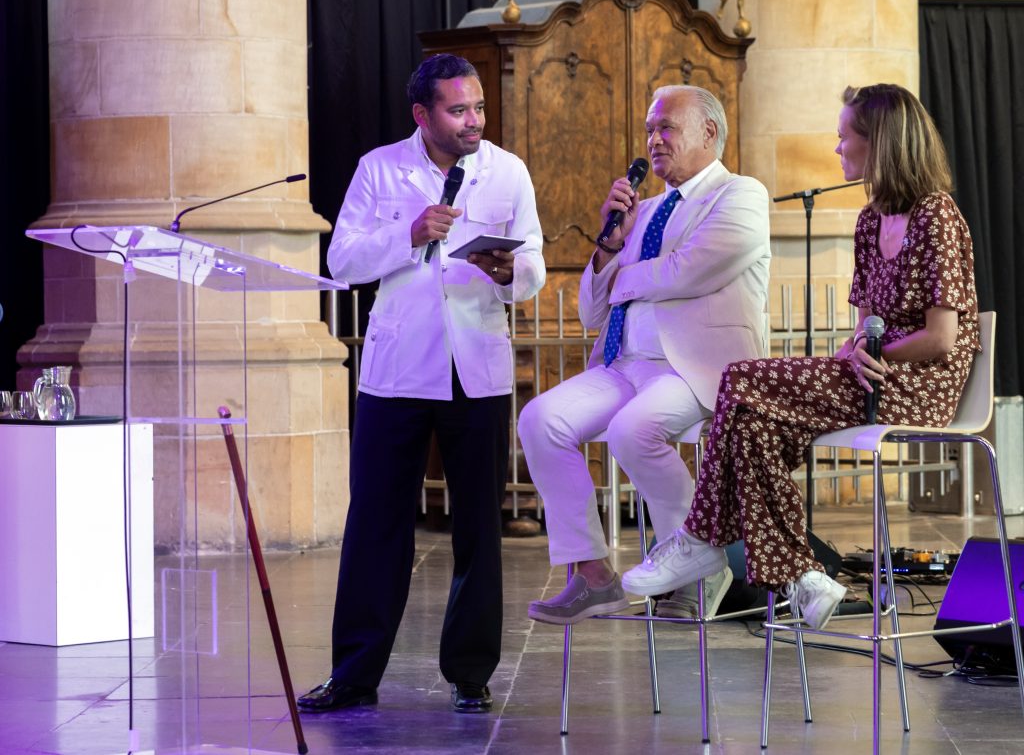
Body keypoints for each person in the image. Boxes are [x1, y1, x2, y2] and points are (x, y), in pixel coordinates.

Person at [621, 83, 979, 633]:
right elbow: (863, 330)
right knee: (750, 432)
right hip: (868, 376)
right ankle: (806, 581)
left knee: (739, 378)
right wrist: (853, 352)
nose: (837, 149)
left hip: (920, 385)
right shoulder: (868, 221)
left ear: (879, 143)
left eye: (844, 137)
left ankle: (699, 537)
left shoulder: (937, 215)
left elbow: (942, 338)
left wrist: (868, 354)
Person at [299, 54, 545, 714]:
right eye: (458, 110)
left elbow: (535, 269)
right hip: (398, 370)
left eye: (479, 109)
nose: (474, 121)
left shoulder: (507, 171)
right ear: (422, 114)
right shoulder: (380, 168)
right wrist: (408, 234)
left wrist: (505, 271)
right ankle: (353, 671)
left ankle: (471, 671)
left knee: (477, 527)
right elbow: (343, 258)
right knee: (377, 523)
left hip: (477, 371)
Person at [518, 85, 771, 625]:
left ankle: (701, 569)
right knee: (540, 419)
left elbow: (692, 269)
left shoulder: (740, 194)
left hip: (696, 367)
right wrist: (609, 244)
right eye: (650, 130)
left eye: (667, 128)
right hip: (625, 365)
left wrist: (624, 277)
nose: (654, 140)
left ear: (709, 132)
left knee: (635, 429)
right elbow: (592, 310)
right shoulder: (645, 210)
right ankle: (592, 574)